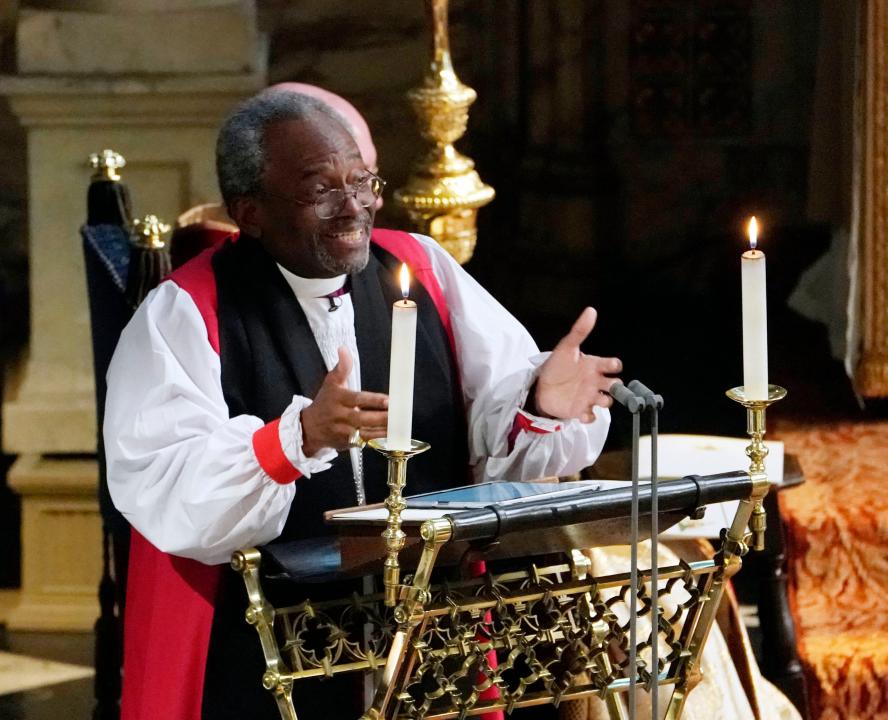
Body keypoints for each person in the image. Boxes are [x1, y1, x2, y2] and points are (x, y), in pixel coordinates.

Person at [104, 88, 622, 720]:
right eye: (320, 188)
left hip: (425, 630)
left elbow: (493, 428)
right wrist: (294, 441)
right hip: (263, 649)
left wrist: (541, 403)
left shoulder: (420, 268)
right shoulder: (186, 311)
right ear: (251, 211)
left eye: (363, 181)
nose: (354, 206)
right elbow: (163, 482)